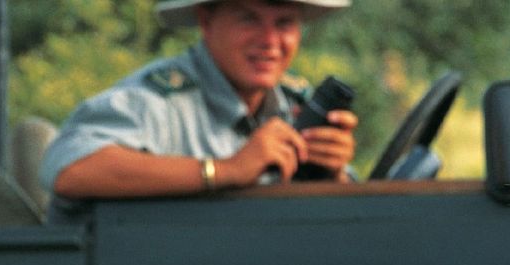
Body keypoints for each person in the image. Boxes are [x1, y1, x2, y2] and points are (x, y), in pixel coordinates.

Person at [40, 0, 357, 198]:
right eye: (249, 18)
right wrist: (225, 170)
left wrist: (332, 173)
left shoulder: (293, 106)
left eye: (284, 22)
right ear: (206, 22)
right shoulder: (155, 101)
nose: (270, 41)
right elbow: (69, 169)